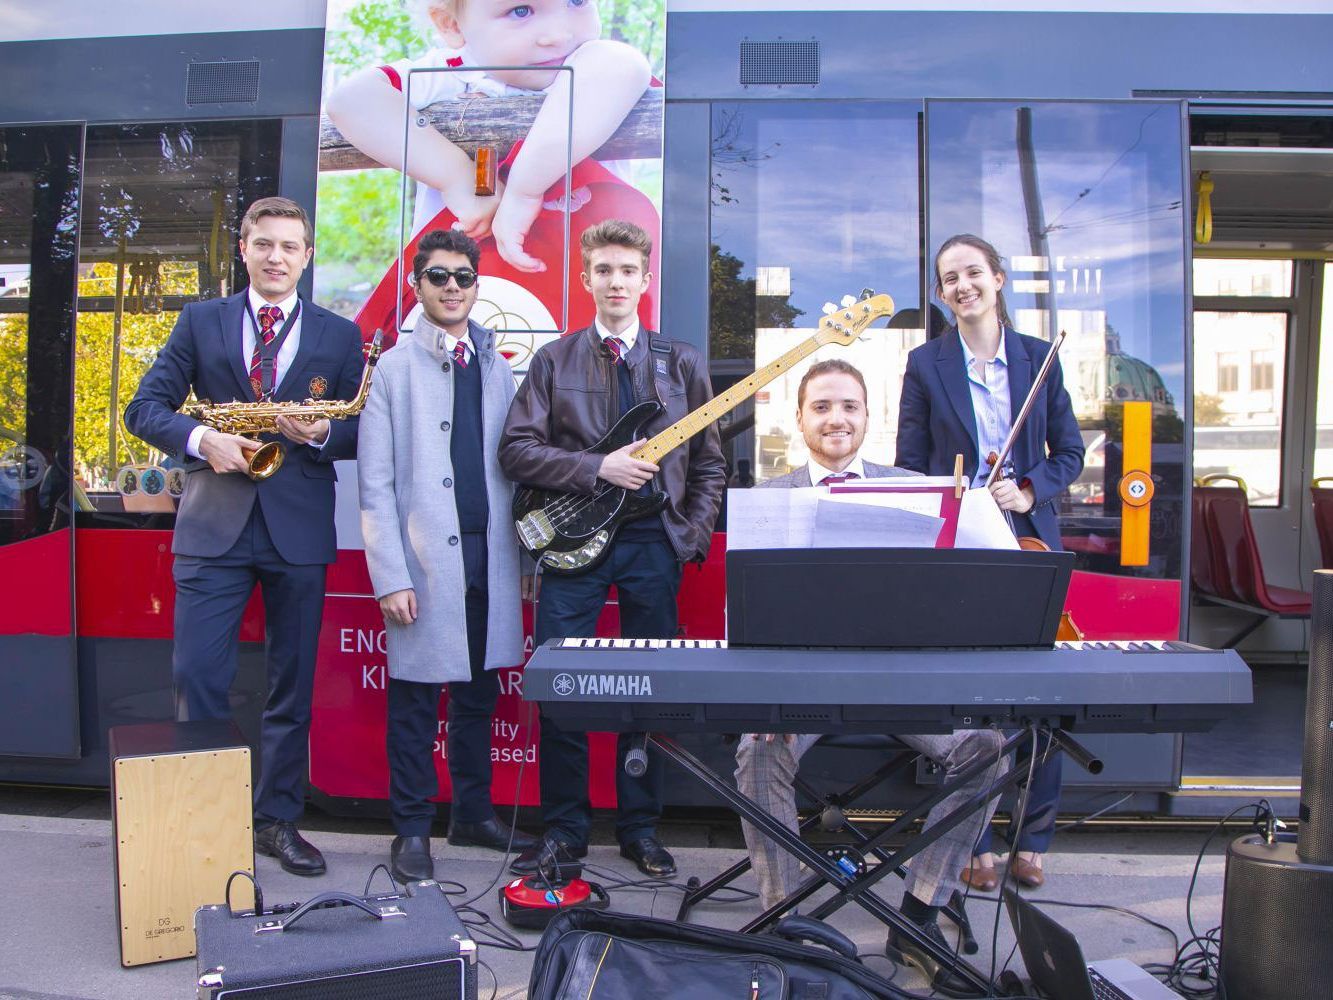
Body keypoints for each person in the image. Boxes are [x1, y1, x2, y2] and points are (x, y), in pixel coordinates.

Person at [734, 358, 1006, 990]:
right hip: (801, 690)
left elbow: (953, 595)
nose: (837, 418)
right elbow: (742, 614)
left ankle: (919, 913)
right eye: (822, 406)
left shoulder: (914, 487)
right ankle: (786, 921)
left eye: (849, 406)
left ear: (867, 416)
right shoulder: (768, 500)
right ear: (800, 418)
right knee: (756, 752)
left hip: (899, 687)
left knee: (986, 750)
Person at [124, 197, 367, 876]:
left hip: (298, 530)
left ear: (307, 256)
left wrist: (319, 431)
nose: (276, 257)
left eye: (290, 246)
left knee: (290, 688)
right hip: (212, 526)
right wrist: (204, 441)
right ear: (243, 248)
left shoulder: (339, 337)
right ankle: (207, 823)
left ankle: (276, 821)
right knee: (197, 677)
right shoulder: (200, 322)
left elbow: (359, 427)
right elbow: (143, 409)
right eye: (263, 244)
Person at [499, 219, 726, 878]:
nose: (616, 281)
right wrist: (597, 469)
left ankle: (640, 830)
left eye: (627, 270)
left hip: (655, 542)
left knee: (648, 692)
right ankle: (564, 832)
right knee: (561, 686)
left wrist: (692, 535)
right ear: (585, 278)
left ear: (645, 279)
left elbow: (711, 462)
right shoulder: (553, 360)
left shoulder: (680, 362)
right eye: (603, 270)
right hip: (572, 544)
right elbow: (515, 450)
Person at [896, 233, 1086, 892]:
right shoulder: (925, 364)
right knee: (974, 693)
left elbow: (1069, 451)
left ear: (997, 279)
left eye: (971, 273)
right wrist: (947, 496)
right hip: (966, 540)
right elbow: (912, 463)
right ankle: (974, 834)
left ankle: (1032, 835)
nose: (960, 286)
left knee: (1042, 688)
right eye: (948, 278)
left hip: (1028, 538)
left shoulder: (1038, 359)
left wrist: (1028, 486)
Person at [358, 228, 537, 883]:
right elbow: (374, 483)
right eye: (438, 276)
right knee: (411, 706)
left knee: (476, 700)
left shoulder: (496, 366)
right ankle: (410, 830)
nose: (452, 287)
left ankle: (473, 813)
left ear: (476, 285)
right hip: (423, 569)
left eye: (463, 276)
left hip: (489, 560)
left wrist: (524, 564)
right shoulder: (393, 372)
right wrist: (389, 578)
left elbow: (516, 467)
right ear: (417, 285)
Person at [326, 0, 661, 338]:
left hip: (595, 301)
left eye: (577, 1)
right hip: (471, 303)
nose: (559, 34)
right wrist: (457, 177)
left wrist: (524, 189)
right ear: (452, 26)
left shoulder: (592, 64)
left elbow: (625, 65)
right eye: (520, 11)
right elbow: (351, 100)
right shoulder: (450, 74)